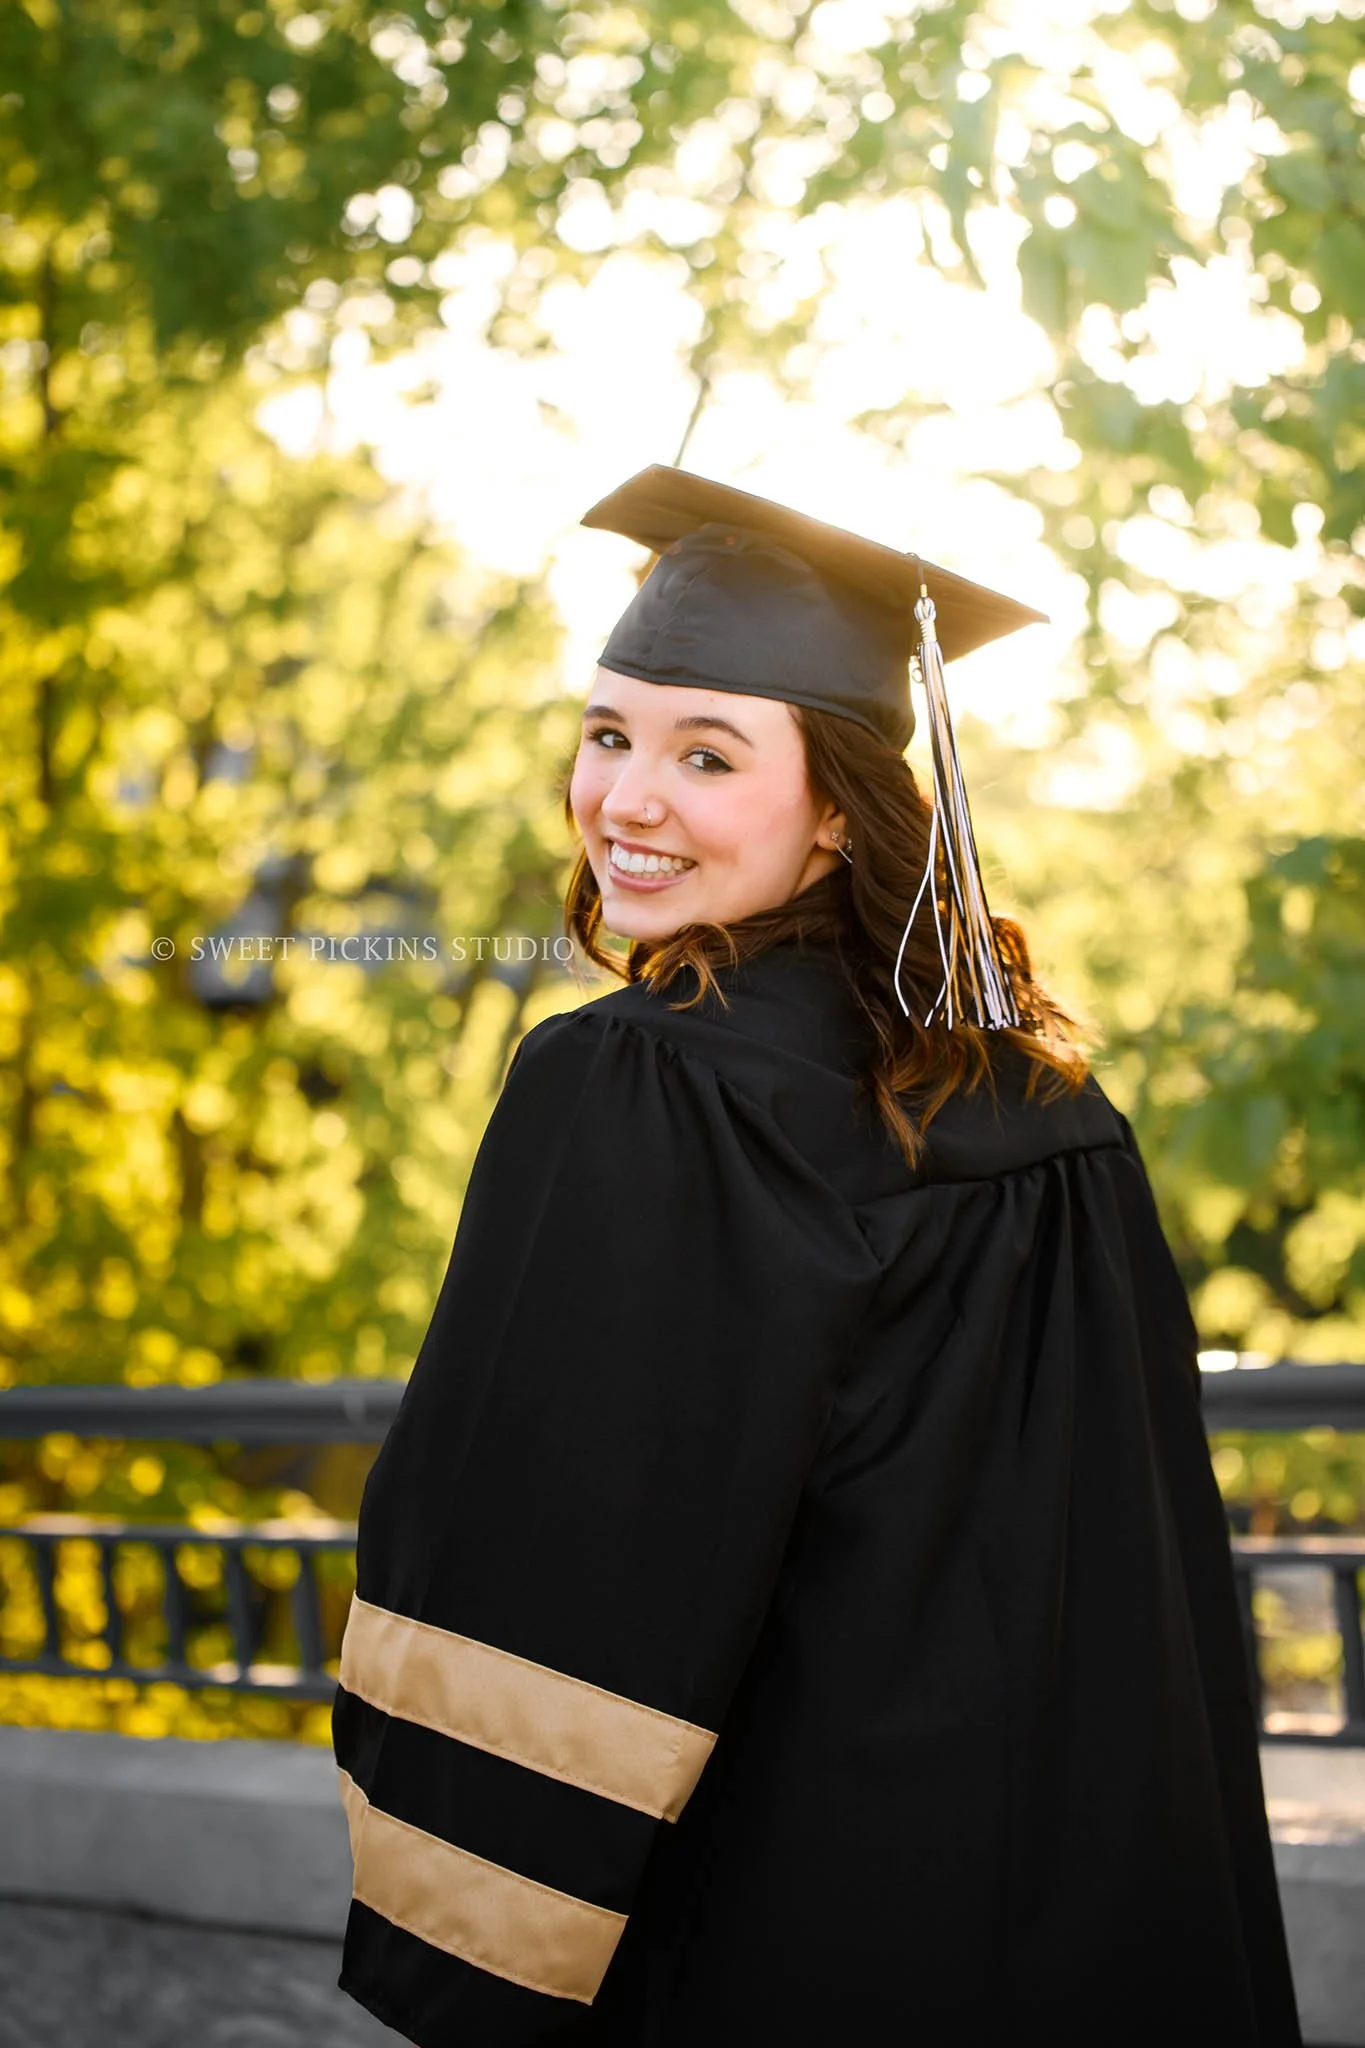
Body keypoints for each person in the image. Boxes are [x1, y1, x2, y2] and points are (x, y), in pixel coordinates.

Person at [331, 466, 1302, 2047]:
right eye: (608, 734)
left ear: (840, 806)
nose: (627, 801)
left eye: (707, 754)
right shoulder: (1044, 1107)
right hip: (1058, 1913)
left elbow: (542, 1548)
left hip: (777, 1909)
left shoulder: (645, 1085)